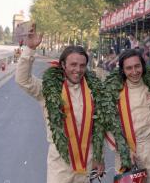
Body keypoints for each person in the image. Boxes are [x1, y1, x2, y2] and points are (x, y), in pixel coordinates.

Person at [15, 31, 104, 183]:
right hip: (60, 163)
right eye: (73, 64)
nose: (78, 69)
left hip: (87, 162)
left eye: (82, 65)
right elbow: (23, 80)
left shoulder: (94, 90)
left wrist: (99, 157)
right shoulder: (49, 89)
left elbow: (98, 127)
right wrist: (29, 50)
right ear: (63, 65)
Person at [100, 49, 150, 183]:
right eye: (129, 68)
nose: (134, 72)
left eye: (137, 66)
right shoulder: (113, 92)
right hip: (125, 152)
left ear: (143, 66)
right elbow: (107, 126)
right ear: (122, 70)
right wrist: (123, 149)